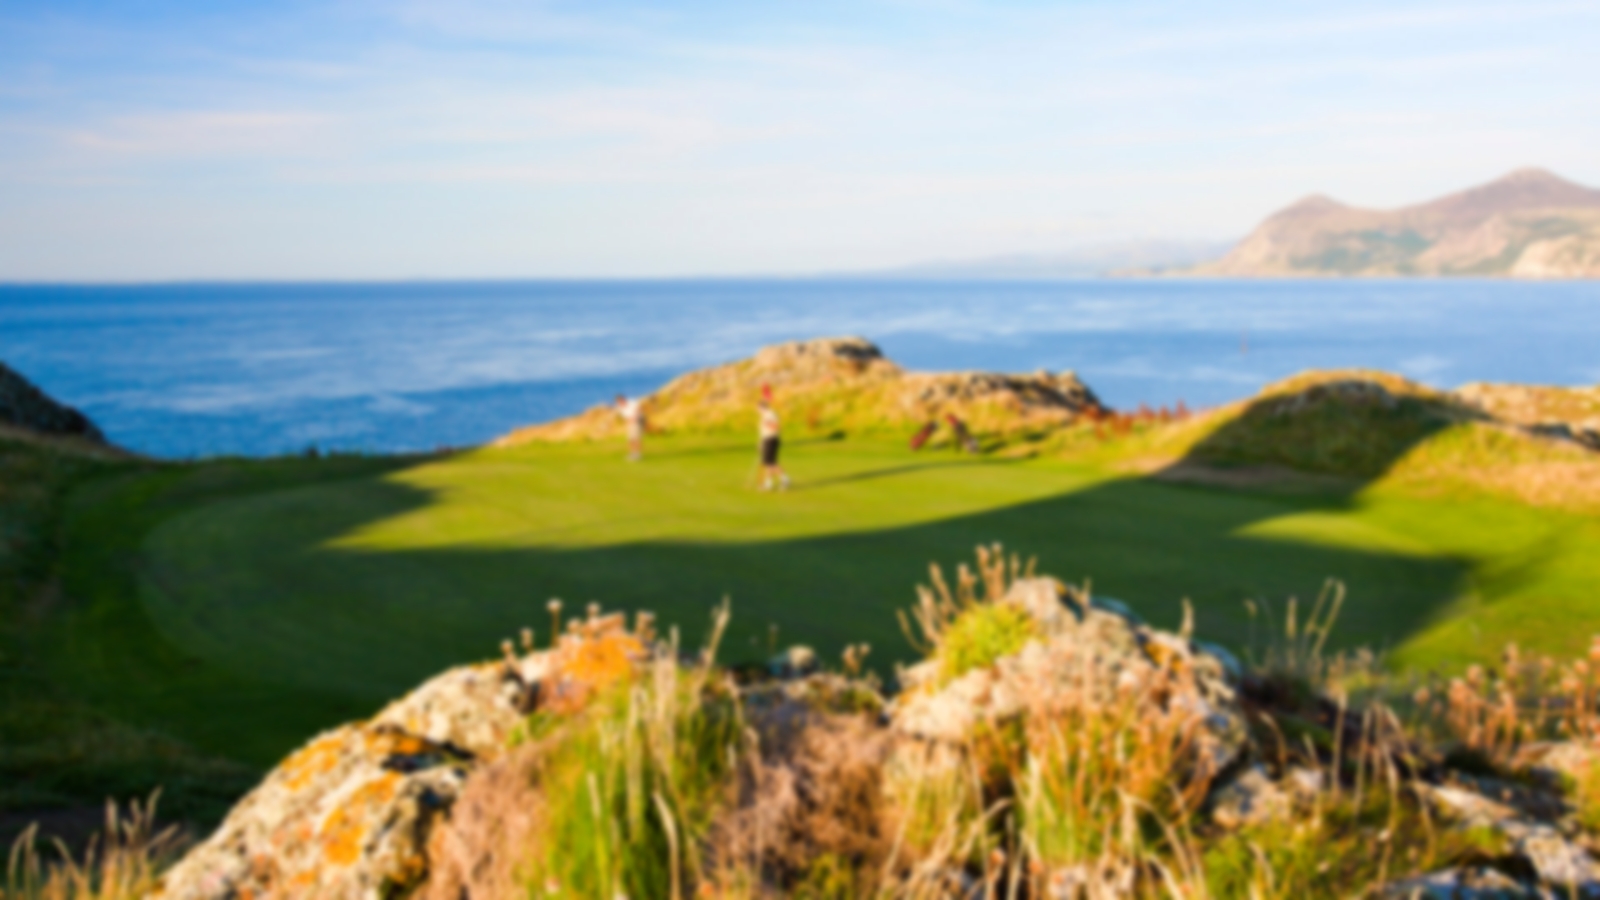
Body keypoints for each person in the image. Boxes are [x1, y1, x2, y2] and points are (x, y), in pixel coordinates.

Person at [757, 397, 790, 490]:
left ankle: (785, 479)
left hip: (772, 439)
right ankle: (769, 483)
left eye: (758, 408)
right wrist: (761, 443)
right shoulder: (765, 416)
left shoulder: (770, 414)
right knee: (768, 463)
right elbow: (764, 431)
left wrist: (768, 424)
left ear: (762, 407)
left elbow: (776, 427)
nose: (757, 410)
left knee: (771, 462)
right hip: (767, 440)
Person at [615, 394, 645, 461]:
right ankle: (632, 454)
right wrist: (629, 421)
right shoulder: (620, 408)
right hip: (630, 423)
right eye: (619, 401)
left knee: (636, 438)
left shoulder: (632, 402)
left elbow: (639, 409)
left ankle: (638, 454)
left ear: (623, 399)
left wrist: (635, 417)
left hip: (638, 422)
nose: (620, 402)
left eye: (621, 400)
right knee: (630, 439)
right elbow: (626, 417)